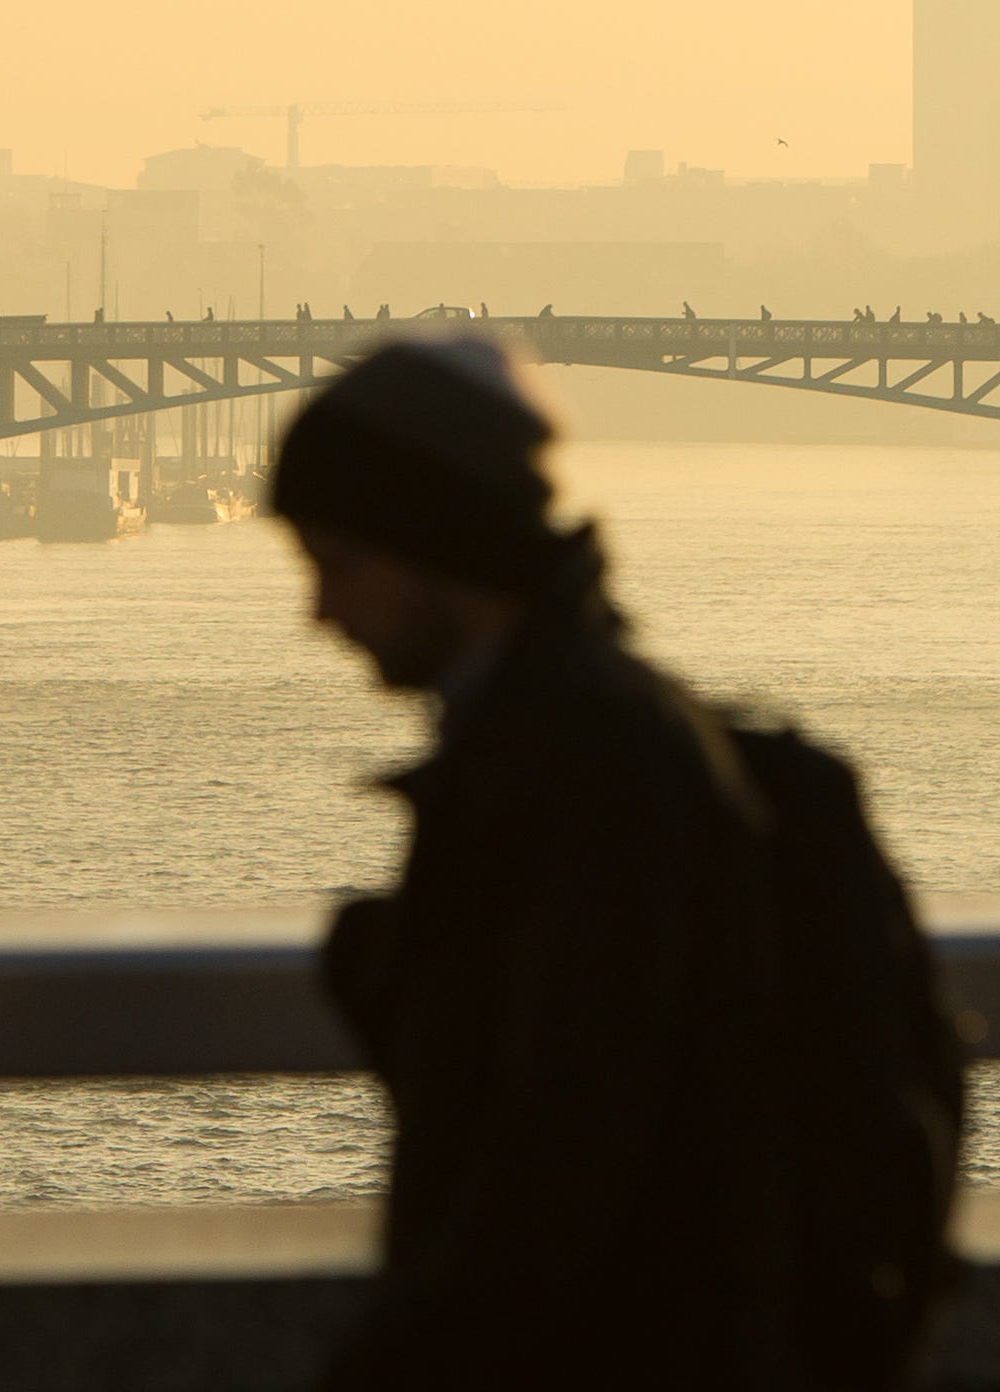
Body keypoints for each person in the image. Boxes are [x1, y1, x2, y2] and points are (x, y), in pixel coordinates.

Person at [276, 336, 802, 1392]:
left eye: (338, 566)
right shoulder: (583, 739)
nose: (317, 613)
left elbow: (563, 1166)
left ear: (436, 546)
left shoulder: (576, 774)